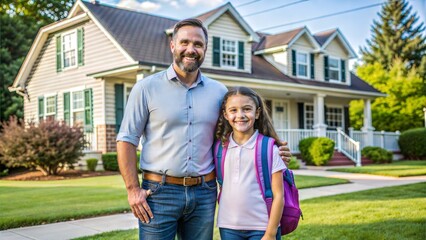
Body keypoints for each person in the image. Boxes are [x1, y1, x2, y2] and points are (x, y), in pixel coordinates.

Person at [116, 18, 291, 240]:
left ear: (205, 49)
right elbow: (126, 139)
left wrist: (273, 150)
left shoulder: (219, 92)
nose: (191, 49)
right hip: (159, 193)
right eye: (184, 42)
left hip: (204, 192)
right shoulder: (145, 89)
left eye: (198, 44)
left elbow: (238, 131)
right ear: (172, 46)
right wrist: (133, 189)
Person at [215, 86, 286, 240]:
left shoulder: (269, 148)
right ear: (225, 115)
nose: (240, 115)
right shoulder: (219, 149)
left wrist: (271, 233)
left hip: (262, 227)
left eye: (247, 109)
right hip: (228, 227)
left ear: (257, 112)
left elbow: (279, 195)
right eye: (233, 110)